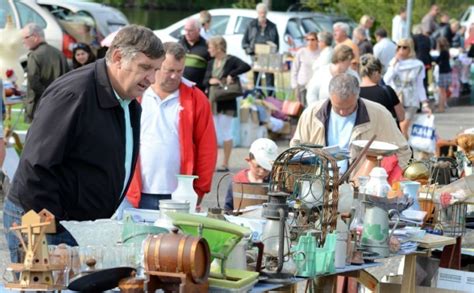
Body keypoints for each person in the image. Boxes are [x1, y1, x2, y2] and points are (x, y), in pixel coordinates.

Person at [3, 25, 165, 263]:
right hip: (48, 224)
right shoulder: (74, 94)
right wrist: (54, 230)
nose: (152, 79)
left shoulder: (129, 102)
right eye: (145, 68)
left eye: (156, 70)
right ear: (118, 57)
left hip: (80, 227)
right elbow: (36, 167)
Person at [126, 42, 217, 211]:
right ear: (157, 66)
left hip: (179, 196)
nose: (175, 76)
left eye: (179, 71)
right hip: (133, 194)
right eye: (169, 70)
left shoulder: (196, 99)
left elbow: (207, 148)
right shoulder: (135, 94)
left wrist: (199, 190)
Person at [292, 73, 411, 175]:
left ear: (358, 95)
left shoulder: (379, 114)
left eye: (349, 107)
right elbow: (295, 149)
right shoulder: (311, 114)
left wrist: (388, 180)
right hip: (318, 187)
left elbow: (403, 151)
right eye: (338, 108)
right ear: (329, 96)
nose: (343, 112)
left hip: (363, 190)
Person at [203, 36, 250, 172]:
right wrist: (211, 80)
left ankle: (225, 163)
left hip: (226, 101)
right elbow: (205, 79)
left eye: (211, 47)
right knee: (212, 133)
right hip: (212, 100)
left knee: (226, 132)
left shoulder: (231, 60)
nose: (208, 50)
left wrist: (232, 74)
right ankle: (212, 162)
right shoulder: (211, 62)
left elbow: (246, 66)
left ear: (218, 48)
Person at [21, 23, 69, 123]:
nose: (23, 41)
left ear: (34, 37)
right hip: (59, 103)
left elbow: (34, 82)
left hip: (40, 105)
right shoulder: (59, 53)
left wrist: (47, 95)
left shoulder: (34, 55)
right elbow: (68, 79)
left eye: (25, 38)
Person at [384, 38, 431, 139]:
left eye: (404, 47)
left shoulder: (418, 65)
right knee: (397, 128)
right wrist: (393, 66)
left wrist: (425, 103)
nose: (401, 50)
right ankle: (406, 149)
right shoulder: (393, 63)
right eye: (399, 47)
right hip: (396, 99)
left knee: (403, 126)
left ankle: (404, 150)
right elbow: (386, 80)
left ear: (410, 49)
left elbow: (419, 85)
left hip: (411, 99)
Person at [224, 138, 278, 211]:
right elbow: (228, 206)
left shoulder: (274, 181)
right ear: (248, 160)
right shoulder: (238, 180)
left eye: (266, 169)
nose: (262, 171)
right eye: (258, 166)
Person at [241, 3, 279, 92]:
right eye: (260, 13)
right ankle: (258, 94)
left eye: (264, 13)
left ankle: (271, 96)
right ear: (257, 13)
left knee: (269, 77)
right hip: (255, 56)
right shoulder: (251, 25)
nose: (262, 15)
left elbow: (277, 44)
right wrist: (250, 50)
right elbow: (244, 43)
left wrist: (272, 50)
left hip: (269, 57)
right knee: (256, 78)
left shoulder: (272, 26)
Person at [359, 54, 405, 126]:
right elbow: (401, 117)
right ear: (376, 72)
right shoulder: (387, 91)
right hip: (386, 134)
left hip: (364, 135)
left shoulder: (354, 93)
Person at [178, 18, 210, 90]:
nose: (187, 33)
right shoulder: (179, 44)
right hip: (179, 87)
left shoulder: (206, 47)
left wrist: (207, 86)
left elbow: (210, 68)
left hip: (198, 88)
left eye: (190, 30)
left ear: (198, 30)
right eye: (186, 30)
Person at [291, 32, 320, 105]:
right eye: (308, 40)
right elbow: (294, 69)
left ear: (317, 40)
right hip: (302, 85)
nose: (310, 42)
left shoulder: (321, 52)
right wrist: (294, 85)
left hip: (315, 85)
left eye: (312, 39)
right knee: (302, 108)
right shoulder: (301, 52)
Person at [412, 25, 433, 96]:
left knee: (417, 78)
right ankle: (425, 93)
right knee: (425, 77)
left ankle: (418, 94)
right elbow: (429, 48)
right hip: (426, 60)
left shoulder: (414, 38)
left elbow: (413, 50)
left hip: (417, 60)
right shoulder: (427, 38)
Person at [434, 37, 452, 113]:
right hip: (447, 72)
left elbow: (438, 60)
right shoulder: (446, 51)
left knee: (442, 91)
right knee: (443, 91)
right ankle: (443, 105)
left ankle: (441, 107)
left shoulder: (443, 52)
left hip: (443, 73)